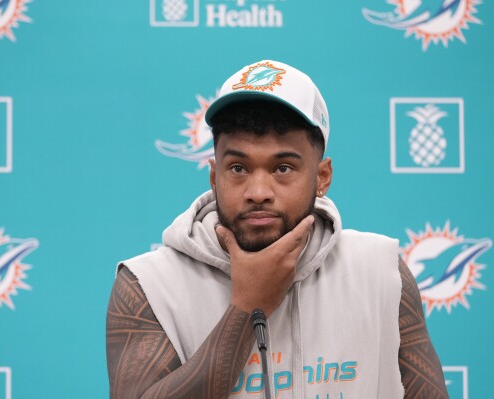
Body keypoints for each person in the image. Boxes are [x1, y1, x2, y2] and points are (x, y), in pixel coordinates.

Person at [106, 60, 448, 399]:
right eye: (238, 167)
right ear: (214, 176)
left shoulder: (380, 270)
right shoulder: (149, 284)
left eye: (283, 168)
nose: (258, 192)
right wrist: (247, 307)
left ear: (322, 177)